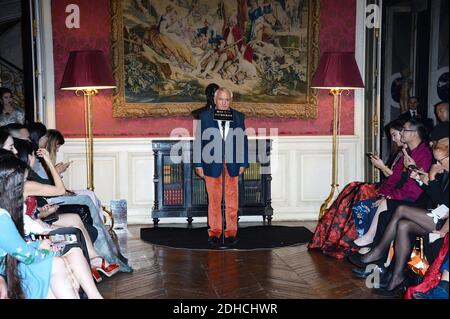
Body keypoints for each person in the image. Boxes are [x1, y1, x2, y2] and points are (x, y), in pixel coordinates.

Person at [351, 138, 448, 295]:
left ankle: (378, 253)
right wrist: (422, 181)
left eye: (440, 160)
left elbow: (442, 203)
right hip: (437, 215)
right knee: (403, 225)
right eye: (435, 160)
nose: (436, 164)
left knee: (401, 209)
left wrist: (431, 178)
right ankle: (397, 277)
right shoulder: (445, 171)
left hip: (444, 222)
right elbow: (437, 199)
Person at [0, 151, 103, 299]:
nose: (25, 185)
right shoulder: (2, 216)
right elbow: (25, 254)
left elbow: (21, 237)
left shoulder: (7, 206)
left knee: (71, 241)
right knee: (61, 259)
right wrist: (45, 247)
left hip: (29, 242)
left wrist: (42, 239)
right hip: (16, 262)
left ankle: (94, 294)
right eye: (22, 182)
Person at [308, 119, 407, 259]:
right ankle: (334, 236)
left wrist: (382, 166)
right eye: (392, 135)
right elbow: (392, 177)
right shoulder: (400, 152)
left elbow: (398, 180)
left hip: (392, 191)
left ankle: (352, 238)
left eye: (395, 135)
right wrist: (382, 166)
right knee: (353, 187)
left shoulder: (408, 154)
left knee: (360, 190)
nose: (394, 138)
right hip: (387, 187)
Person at [194, 87, 248, 247]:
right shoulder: (204, 116)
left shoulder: (238, 116)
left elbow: (242, 141)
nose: (224, 103)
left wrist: (243, 162)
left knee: (232, 200)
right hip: (211, 163)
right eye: (221, 99)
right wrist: (198, 164)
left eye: (227, 100)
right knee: (214, 200)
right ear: (215, 100)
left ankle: (231, 232)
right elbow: (199, 142)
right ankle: (215, 232)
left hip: (232, 164)